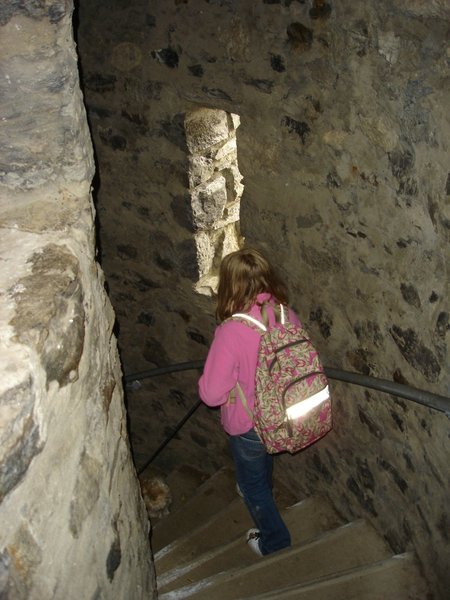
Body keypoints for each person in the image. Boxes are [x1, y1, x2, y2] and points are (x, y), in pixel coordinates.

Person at [198, 247, 300, 556]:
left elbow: (211, 394)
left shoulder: (231, 332)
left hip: (249, 426)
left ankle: (275, 540)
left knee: (252, 485)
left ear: (230, 285)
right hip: (284, 413)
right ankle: (261, 485)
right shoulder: (286, 313)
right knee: (262, 464)